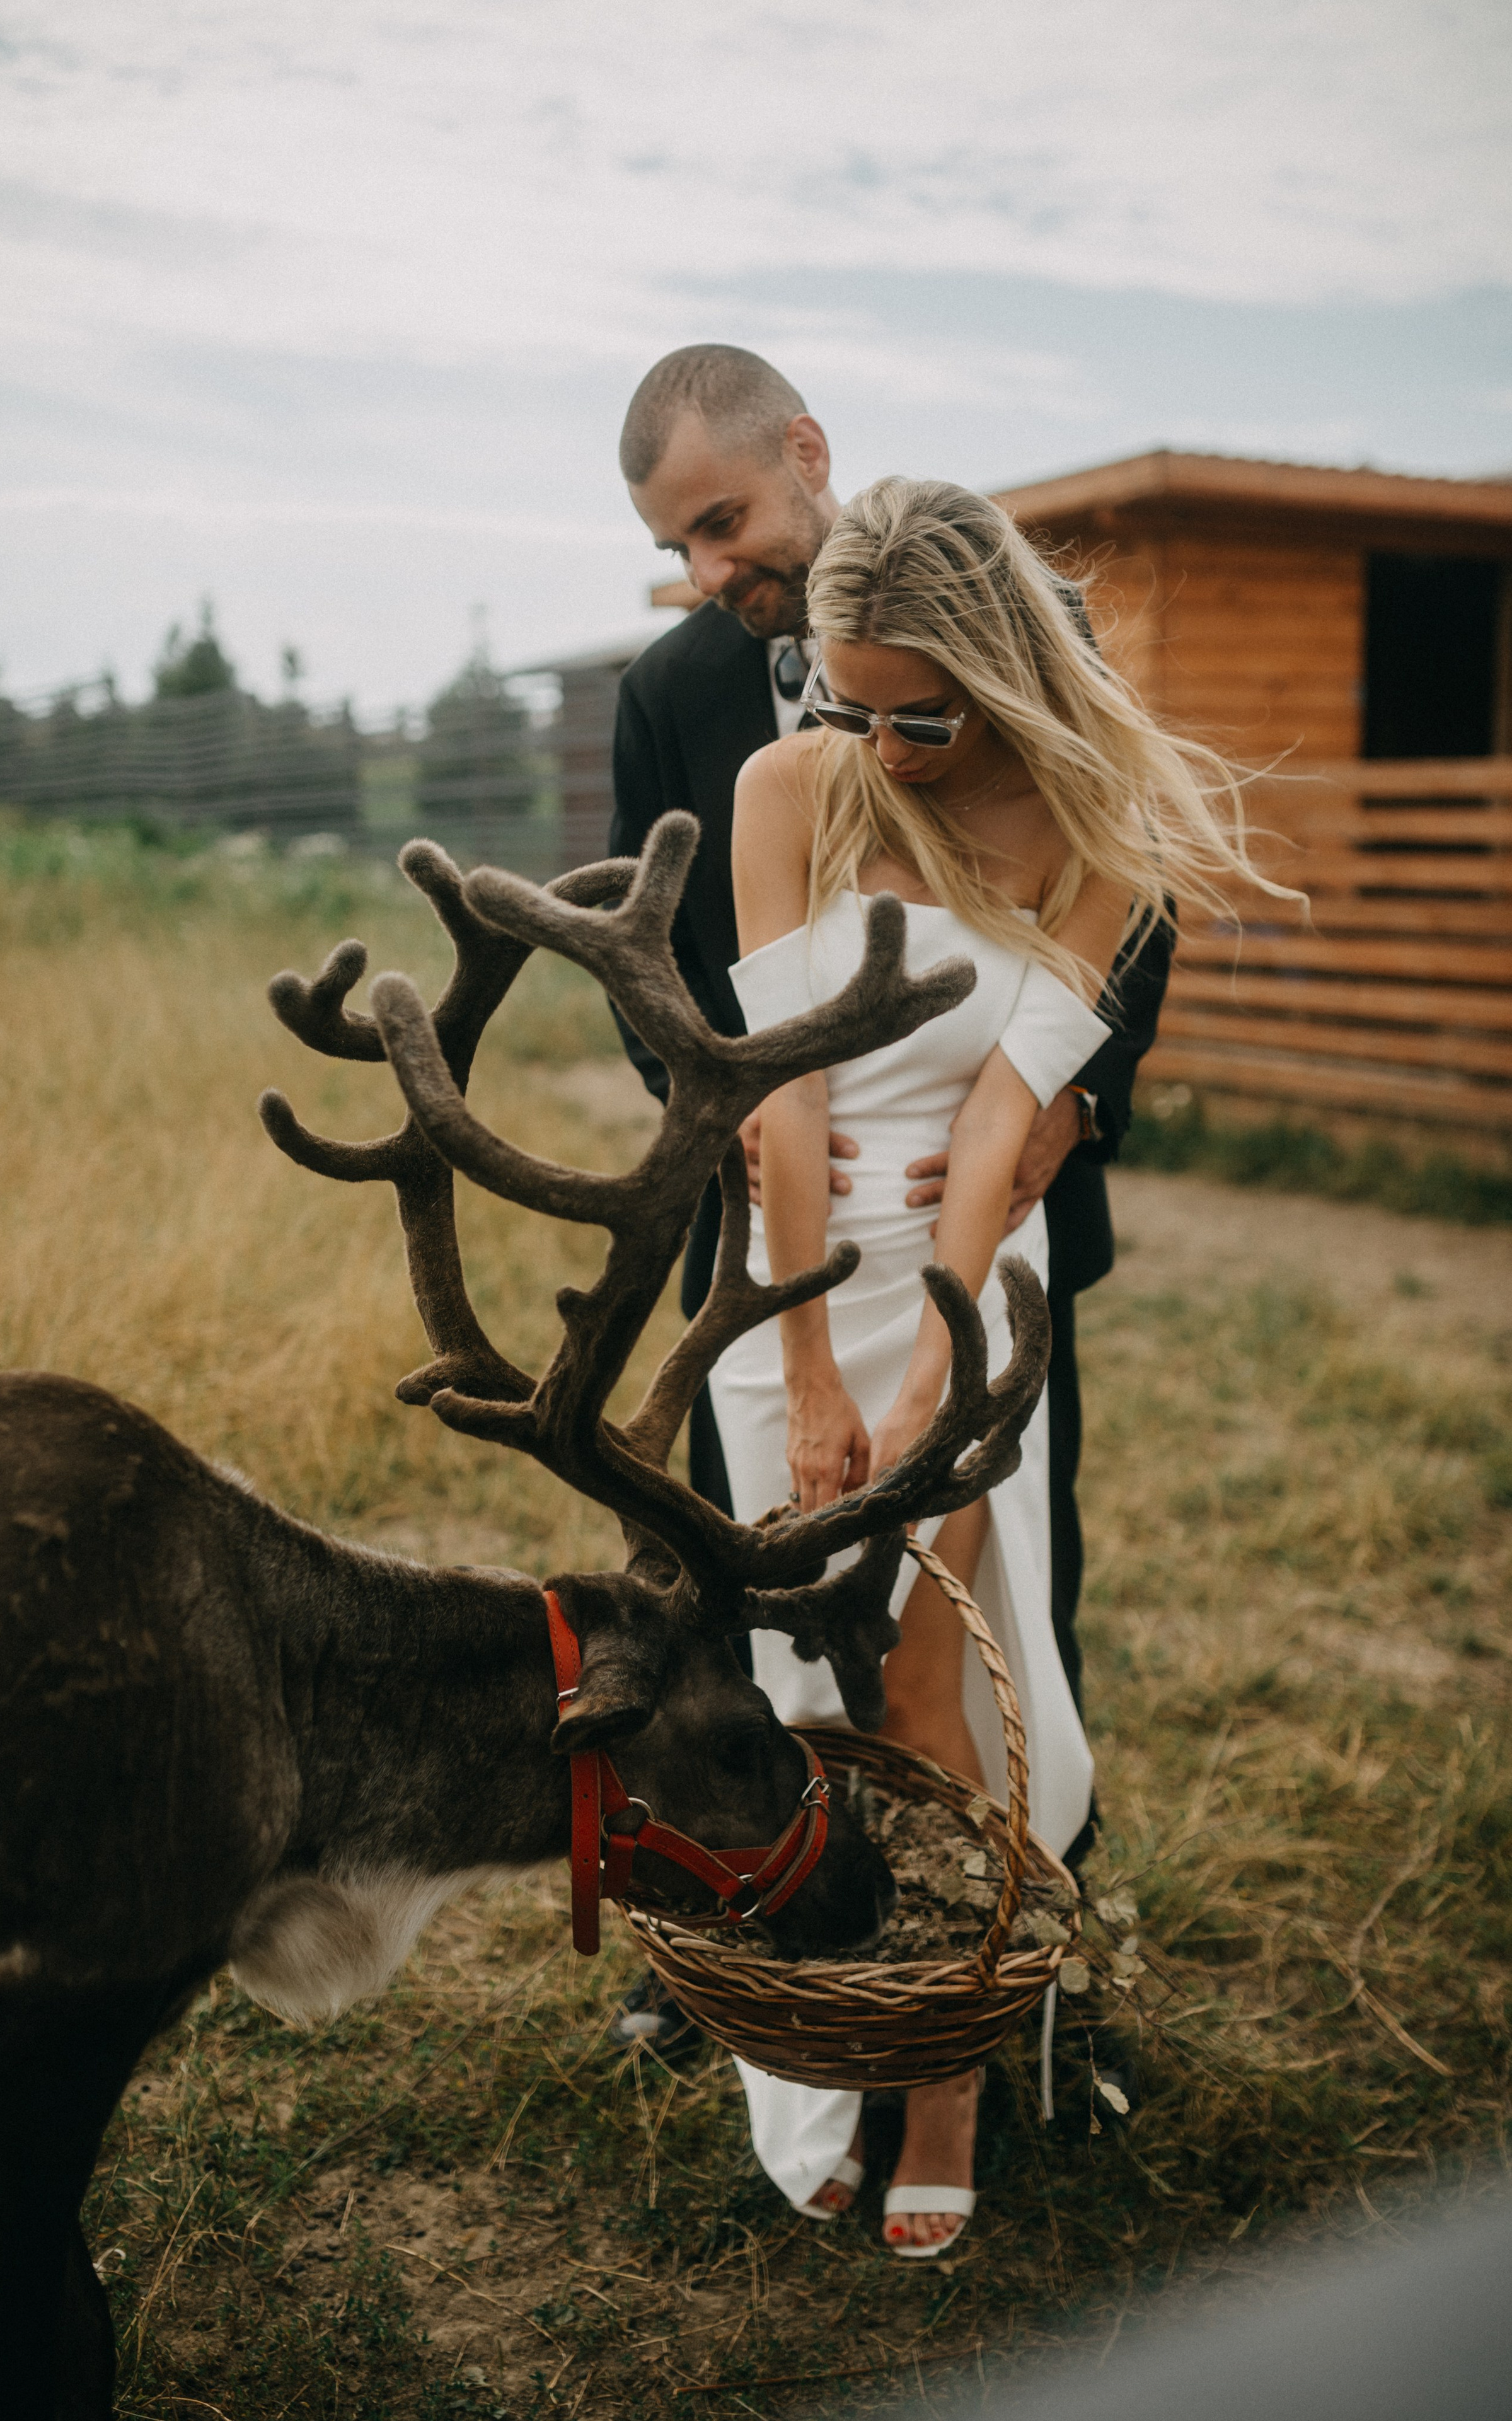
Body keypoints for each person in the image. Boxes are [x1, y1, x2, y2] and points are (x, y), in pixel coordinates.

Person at [712, 471, 1287, 2253]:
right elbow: (788, 1087)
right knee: (799, 1690)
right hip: (792, 1281)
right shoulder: (785, 785)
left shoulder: (1091, 819)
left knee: (931, 1691)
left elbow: (1005, 1107)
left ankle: (946, 2074)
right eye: (846, 702)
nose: (877, 744)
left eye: (921, 713)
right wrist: (812, 1366)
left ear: (998, 675)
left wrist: (931, 1383)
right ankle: (821, 2056)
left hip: (973, 1286)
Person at [605, 346, 1167, 2062]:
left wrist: (1077, 1106)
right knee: (743, 1578)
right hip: (774, 1226)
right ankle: (734, 1936)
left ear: (808, 454)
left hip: (987, 1212)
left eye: (725, 519)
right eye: (679, 544)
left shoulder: (1019, 618)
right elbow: (658, 975)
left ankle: (1032, 1948)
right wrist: (745, 1140)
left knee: (1006, 1595)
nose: (711, 567)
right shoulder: (677, 695)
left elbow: (1127, 905)